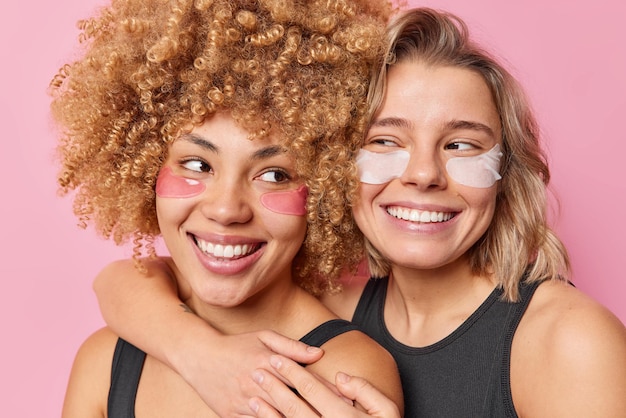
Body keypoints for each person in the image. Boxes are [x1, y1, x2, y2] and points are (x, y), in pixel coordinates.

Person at [93, 7, 626, 418]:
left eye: (462, 146)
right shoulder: (336, 303)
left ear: (507, 171)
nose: (423, 174)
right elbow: (131, 281)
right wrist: (197, 353)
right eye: (386, 140)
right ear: (335, 169)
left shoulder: (569, 340)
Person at [50, 0, 405, 417]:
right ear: (147, 172)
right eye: (198, 165)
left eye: (274, 175)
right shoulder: (104, 364)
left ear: (328, 191)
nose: (226, 209)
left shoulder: (346, 375)